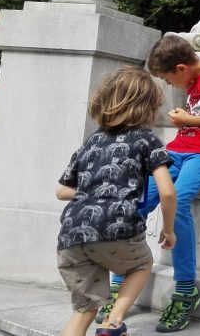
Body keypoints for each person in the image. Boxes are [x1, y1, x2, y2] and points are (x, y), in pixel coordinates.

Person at [102, 35, 200, 333]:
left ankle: (186, 290)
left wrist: (189, 118)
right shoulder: (191, 81)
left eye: (167, 78)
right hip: (178, 150)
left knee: (178, 201)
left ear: (181, 67)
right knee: (133, 203)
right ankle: (117, 287)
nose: (170, 84)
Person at [56, 67, 177, 336]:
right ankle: (113, 323)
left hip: (72, 234)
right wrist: (168, 230)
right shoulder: (147, 140)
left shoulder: (92, 142)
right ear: (147, 108)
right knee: (141, 265)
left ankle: (106, 324)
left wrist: (93, 190)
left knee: (84, 310)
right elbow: (167, 192)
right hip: (116, 227)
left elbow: (61, 191)